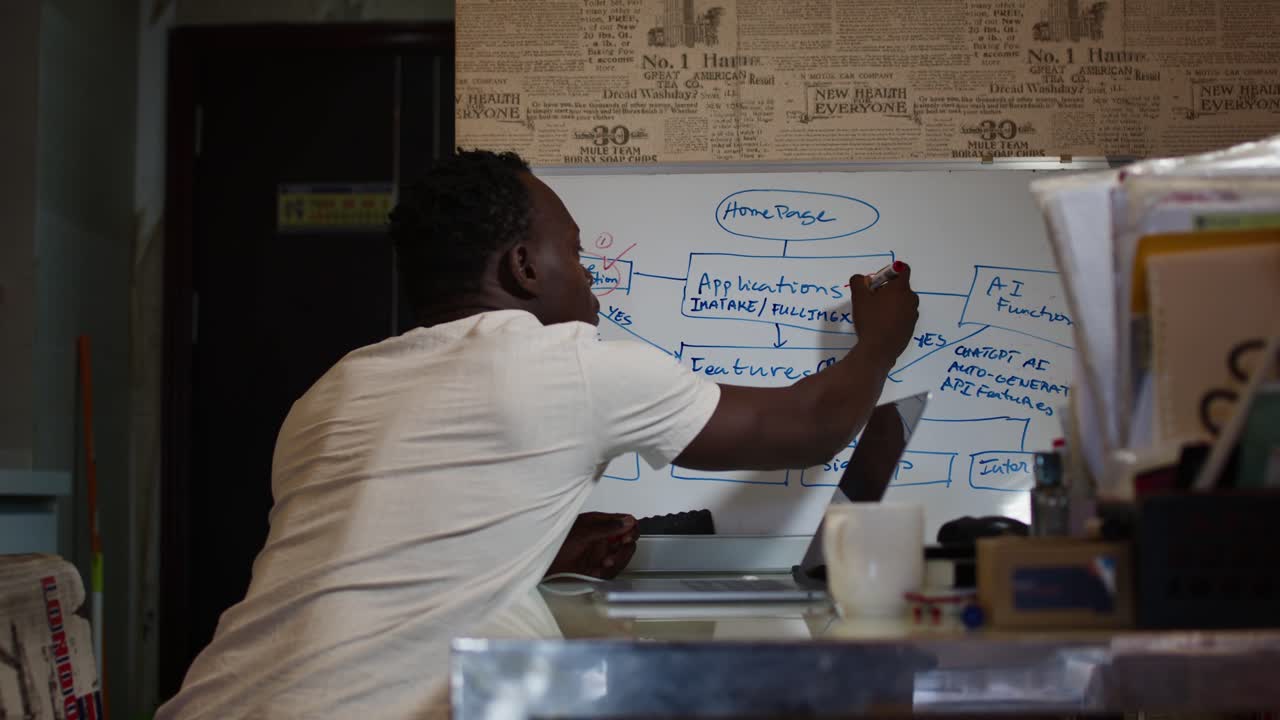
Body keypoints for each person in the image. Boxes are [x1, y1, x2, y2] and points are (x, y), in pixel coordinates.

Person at [157, 149, 918, 718]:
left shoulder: (338, 386)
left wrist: (539, 550)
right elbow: (813, 426)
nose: (591, 278)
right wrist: (879, 340)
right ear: (524, 266)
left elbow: (367, 557)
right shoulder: (567, 364)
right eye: (577, 254)